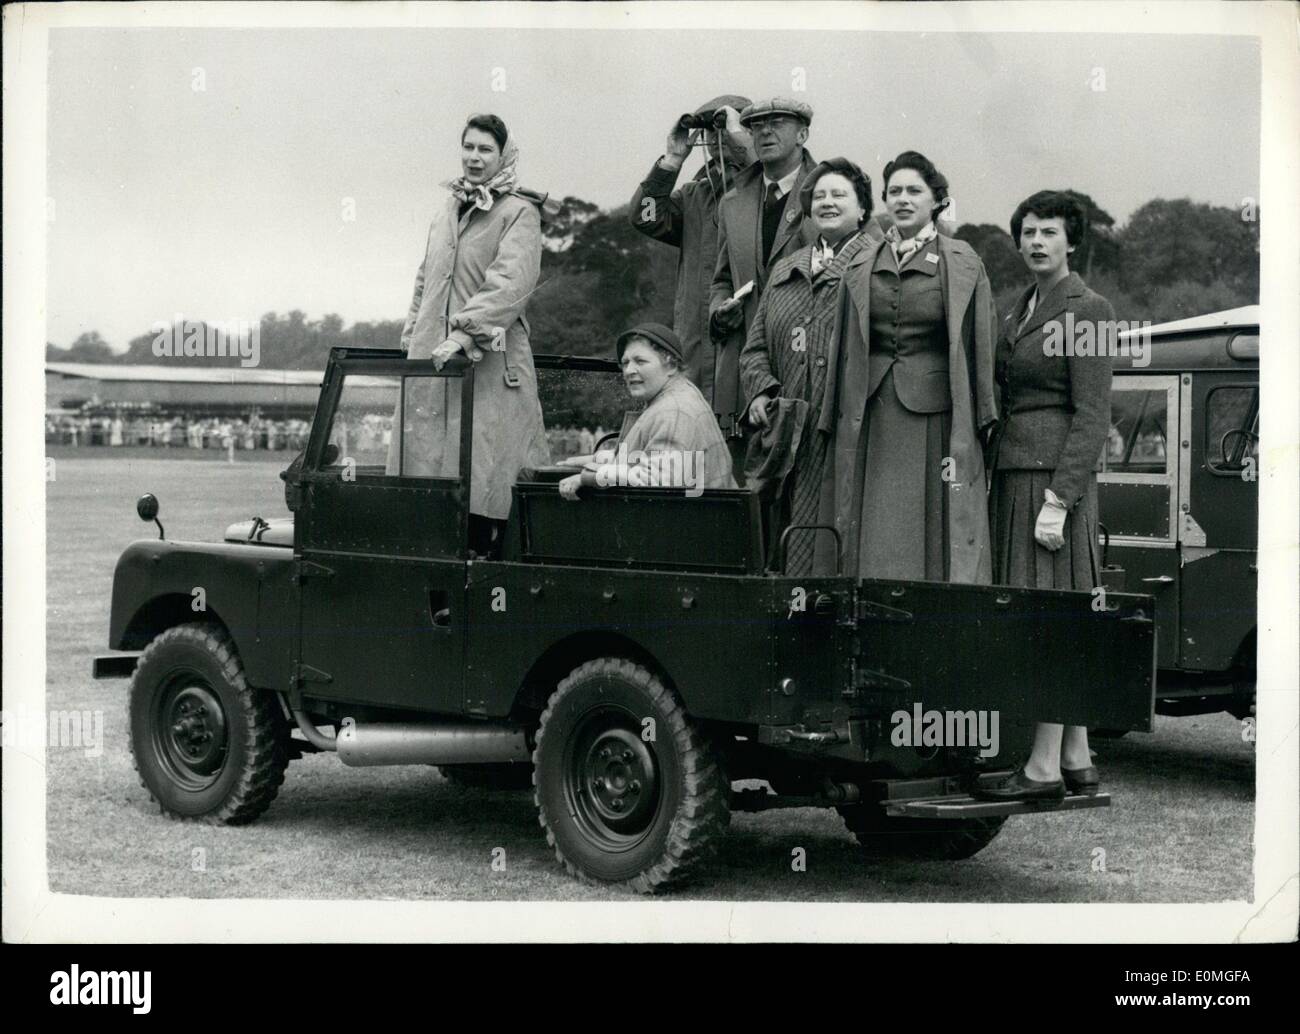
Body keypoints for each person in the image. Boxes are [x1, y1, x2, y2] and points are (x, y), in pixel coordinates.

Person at [974, 191, 1116, 802]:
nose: (1036, 242)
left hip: (1051, 484)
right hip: (1014, 476)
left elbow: (1092, 415)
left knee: (1048, 622)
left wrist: (1059, 498)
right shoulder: (1018, 307)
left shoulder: (1088, 310)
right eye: (1028, 231)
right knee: (1051, 614)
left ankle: (1040, 768)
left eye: (1049, 232)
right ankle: (1077, 755)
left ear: (1072, 241)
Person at [822, 150, 999, 582]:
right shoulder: (860, 264)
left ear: (936, 200)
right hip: (872, 412)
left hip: (935, 419)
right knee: (872, 524)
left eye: (914, 191)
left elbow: (982, 346)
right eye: (894, 191)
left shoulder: (963, 263)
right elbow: (842, 344)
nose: (903, 199)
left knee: (933, 524)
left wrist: (984, 419)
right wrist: (832, 415)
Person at [394, 113, 552, 557]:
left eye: (485, 149)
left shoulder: (520, 211)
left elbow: (509, 285)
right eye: (469, 147)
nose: (474, 157)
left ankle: (484, 592)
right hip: (434, 364)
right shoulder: (446, 209)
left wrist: (463, 335)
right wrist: (413, 335)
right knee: (428, 477)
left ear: (504, 155)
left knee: (484, 480)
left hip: (491, 365)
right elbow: (426, 280)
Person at [739, 158, 877, 574]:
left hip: (844, 429)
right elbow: (755, 346)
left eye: (839, 195)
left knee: (836, 538)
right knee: (779, 535)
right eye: (819, 196)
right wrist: (761, 390)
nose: (827, 203)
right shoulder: (786, 268)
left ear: (863, 210)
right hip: (785, 432)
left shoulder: (877, 265)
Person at [708, 97, 820, 460]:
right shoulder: (732, 202)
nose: (765, 131)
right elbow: (722, 278)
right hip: (743, 370)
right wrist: (718, 310)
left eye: (778, 123)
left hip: (807, 365)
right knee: (744, 490)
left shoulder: (830, 195)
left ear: (802, 134)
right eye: (756, 126)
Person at [629, 94, 755, 406]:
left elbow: (776, 194)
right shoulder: (695, 195)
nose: (717, 139)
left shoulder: (765, 187)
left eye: (725, 128)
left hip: (750, 339)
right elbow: (645, 217)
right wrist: (672, 159)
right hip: (696, 345)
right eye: (711, 132)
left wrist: (743, 144)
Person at [557, 323, 736, 499]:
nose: (629, 371)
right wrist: (597, 460)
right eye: (625, 363)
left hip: (694, 522)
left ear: (671, 365)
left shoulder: (674, 410)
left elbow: (656, 479)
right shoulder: (676, 395)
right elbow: (649, 456)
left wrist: (587, 476)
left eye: (640, 361)